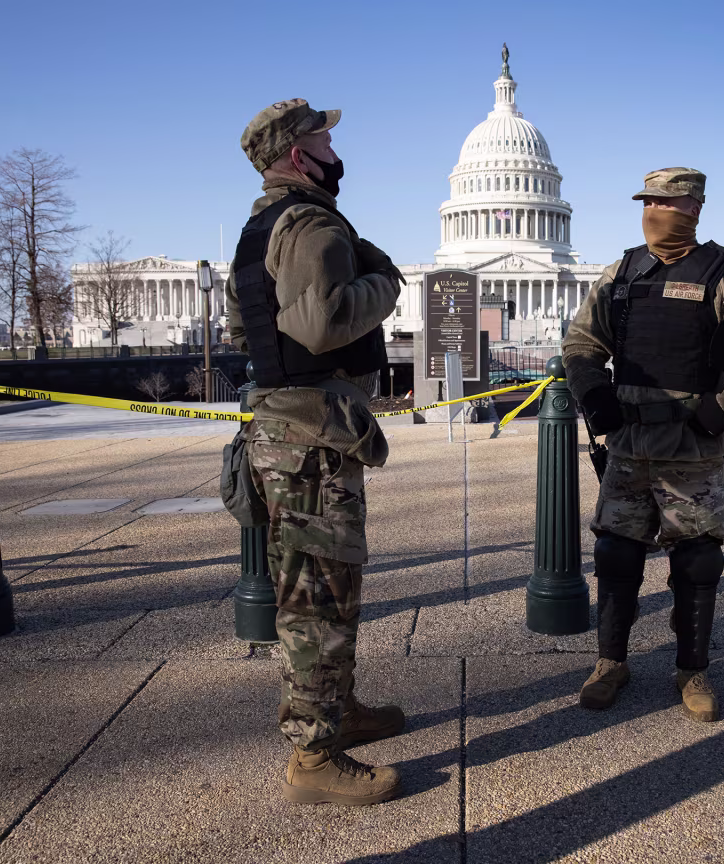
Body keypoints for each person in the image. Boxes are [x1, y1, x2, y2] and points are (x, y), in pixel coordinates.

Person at [227, 99, 407, 806]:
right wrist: (384, 281)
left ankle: (339, 709)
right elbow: (323, 321)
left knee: (319, 588)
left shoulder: (258, 226)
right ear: (301, 155)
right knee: (318, 599)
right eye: (326, 139)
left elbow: (248, 329)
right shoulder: (307, 222)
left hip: (285, 428)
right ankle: (313, 755)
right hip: (310, 440)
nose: (337, 149)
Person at [562, 167, 724, 722]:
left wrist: (721, 410)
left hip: (692, 446)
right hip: (629, 443)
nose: (656, 212)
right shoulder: (621, 273)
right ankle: (610, 661)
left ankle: (692, 668)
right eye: (649, 202)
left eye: (669, 202)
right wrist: (595, 398)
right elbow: (582, 343)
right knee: (616, 554)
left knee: (696, 562)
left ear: (695, 206)